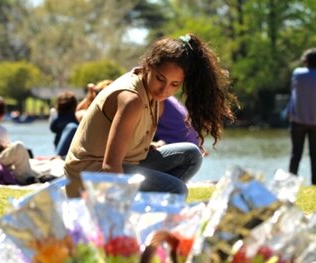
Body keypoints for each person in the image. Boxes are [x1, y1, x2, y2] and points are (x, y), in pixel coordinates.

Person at [64, 33, 237, 198]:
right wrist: (119, 210)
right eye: (160, 79)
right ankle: (142, 210)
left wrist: (147, 146)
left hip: (123, 165)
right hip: (88, 177)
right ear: (148, 65)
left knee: (191, 155)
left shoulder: (152, 93)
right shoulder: (132, 99)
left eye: (174, 84)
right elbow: (110, 165)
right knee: (175, 190)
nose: (164, 90)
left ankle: (150, 206)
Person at [286, 48, 316, 185]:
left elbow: (293, 91)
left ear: (305, 60)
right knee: (315, 153)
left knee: (296, 153)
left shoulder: (298, 73)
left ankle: (291, 181)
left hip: (298, 118)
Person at [49, 91, 79, 157]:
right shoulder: (73, 121)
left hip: (58, 151)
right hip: (68, 155)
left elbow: (52, 129)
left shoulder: (57, 120)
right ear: (74, 106)